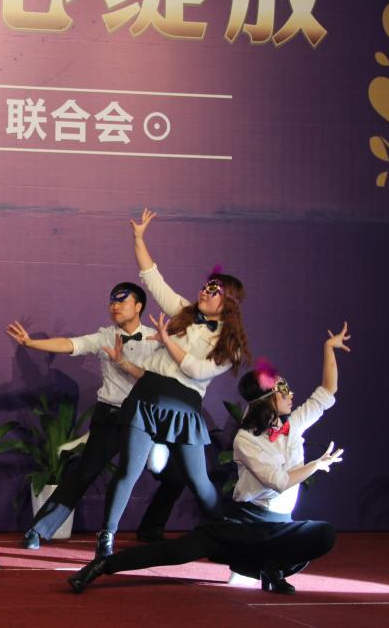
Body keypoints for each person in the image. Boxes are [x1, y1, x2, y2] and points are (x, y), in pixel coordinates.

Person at [69, 324, 348, 594]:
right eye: (284, 389)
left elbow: (327, 392)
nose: (291, 394)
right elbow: (279, 482)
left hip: (281, 524)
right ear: (268, 398)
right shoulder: (246, 440)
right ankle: (103, 565)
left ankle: (273, 568)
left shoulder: (293, 426)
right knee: (176, 552)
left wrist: (328, 348)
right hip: (244, 524)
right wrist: (316, 464)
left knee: (322, 534)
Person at [97, 209, 252, 558]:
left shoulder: (230, 344)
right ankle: (106, 538)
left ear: (228, 301)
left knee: (198, 481)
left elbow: (197, 371)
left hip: (184, 406)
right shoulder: (183, 312)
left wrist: (167, 341)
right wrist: (139, 238)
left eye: (213, 290)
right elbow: (154, 279)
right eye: (206, 286)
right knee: (128, 470)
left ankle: (227, 541)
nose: (204, 291)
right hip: (148, 396)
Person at [6, 282, 187, 549]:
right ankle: (38, 530)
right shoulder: (105, 337)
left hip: (145, 419)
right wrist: (32, 343)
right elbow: (71, 344)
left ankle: (150, 530)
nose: (115, 306)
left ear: (138, 306)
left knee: (175, 476)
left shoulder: (157, 339)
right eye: (112, 301)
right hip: (110, 417)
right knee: (84, 473)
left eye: (122, 301)